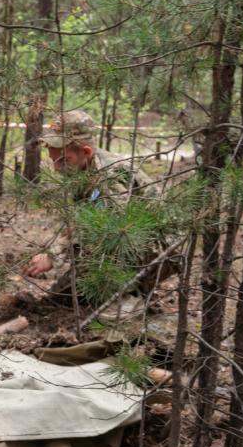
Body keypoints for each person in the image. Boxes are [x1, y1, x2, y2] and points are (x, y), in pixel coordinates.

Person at [22, 110, 157, 304]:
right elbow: (83, 221)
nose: (56, 169)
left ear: (86, 152)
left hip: (152, 247)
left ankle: (127, 300)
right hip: (130, 243)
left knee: (91, 292)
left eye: (63, 160)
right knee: (63, 297)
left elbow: (109, 231)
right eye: (53, 161)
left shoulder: (111, 175)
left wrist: (54, 255)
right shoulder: (84, 170)